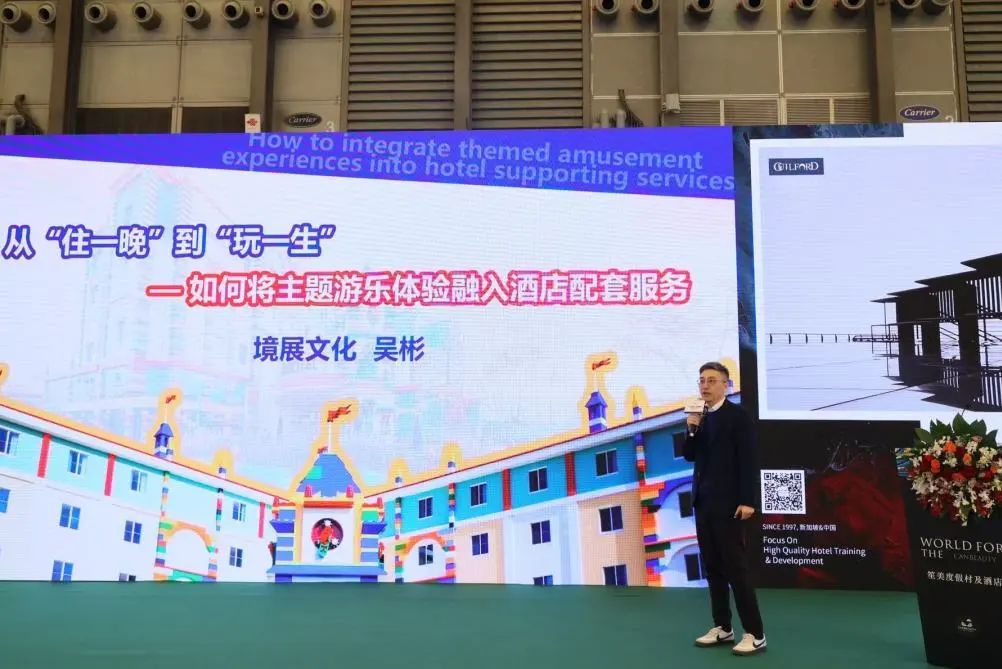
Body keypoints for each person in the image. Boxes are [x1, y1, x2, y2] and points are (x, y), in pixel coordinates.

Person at [683, 361, 766, 656]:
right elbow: (689, 456)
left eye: (711, 380)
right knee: (713, 568)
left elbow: (748, 459)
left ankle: (755, 633)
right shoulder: (700, 417)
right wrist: (692, 430)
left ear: (726, 386)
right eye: (701, 380)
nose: (704, 385)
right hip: (703, 504)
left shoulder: (737, 417)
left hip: (730, 505)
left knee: (736, 570)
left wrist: (748, 500)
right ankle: (722, 627)